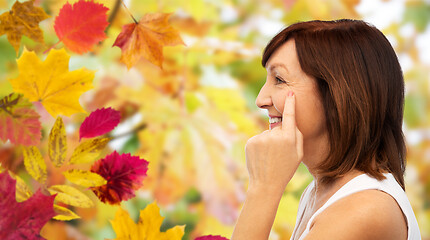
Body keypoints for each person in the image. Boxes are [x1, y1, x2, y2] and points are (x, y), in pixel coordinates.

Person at [231, 19, 421, 240]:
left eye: (280, 79)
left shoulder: (365, 208)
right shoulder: (318, 192)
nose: (261, 99)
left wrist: (263, 189)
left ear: (337, 94)